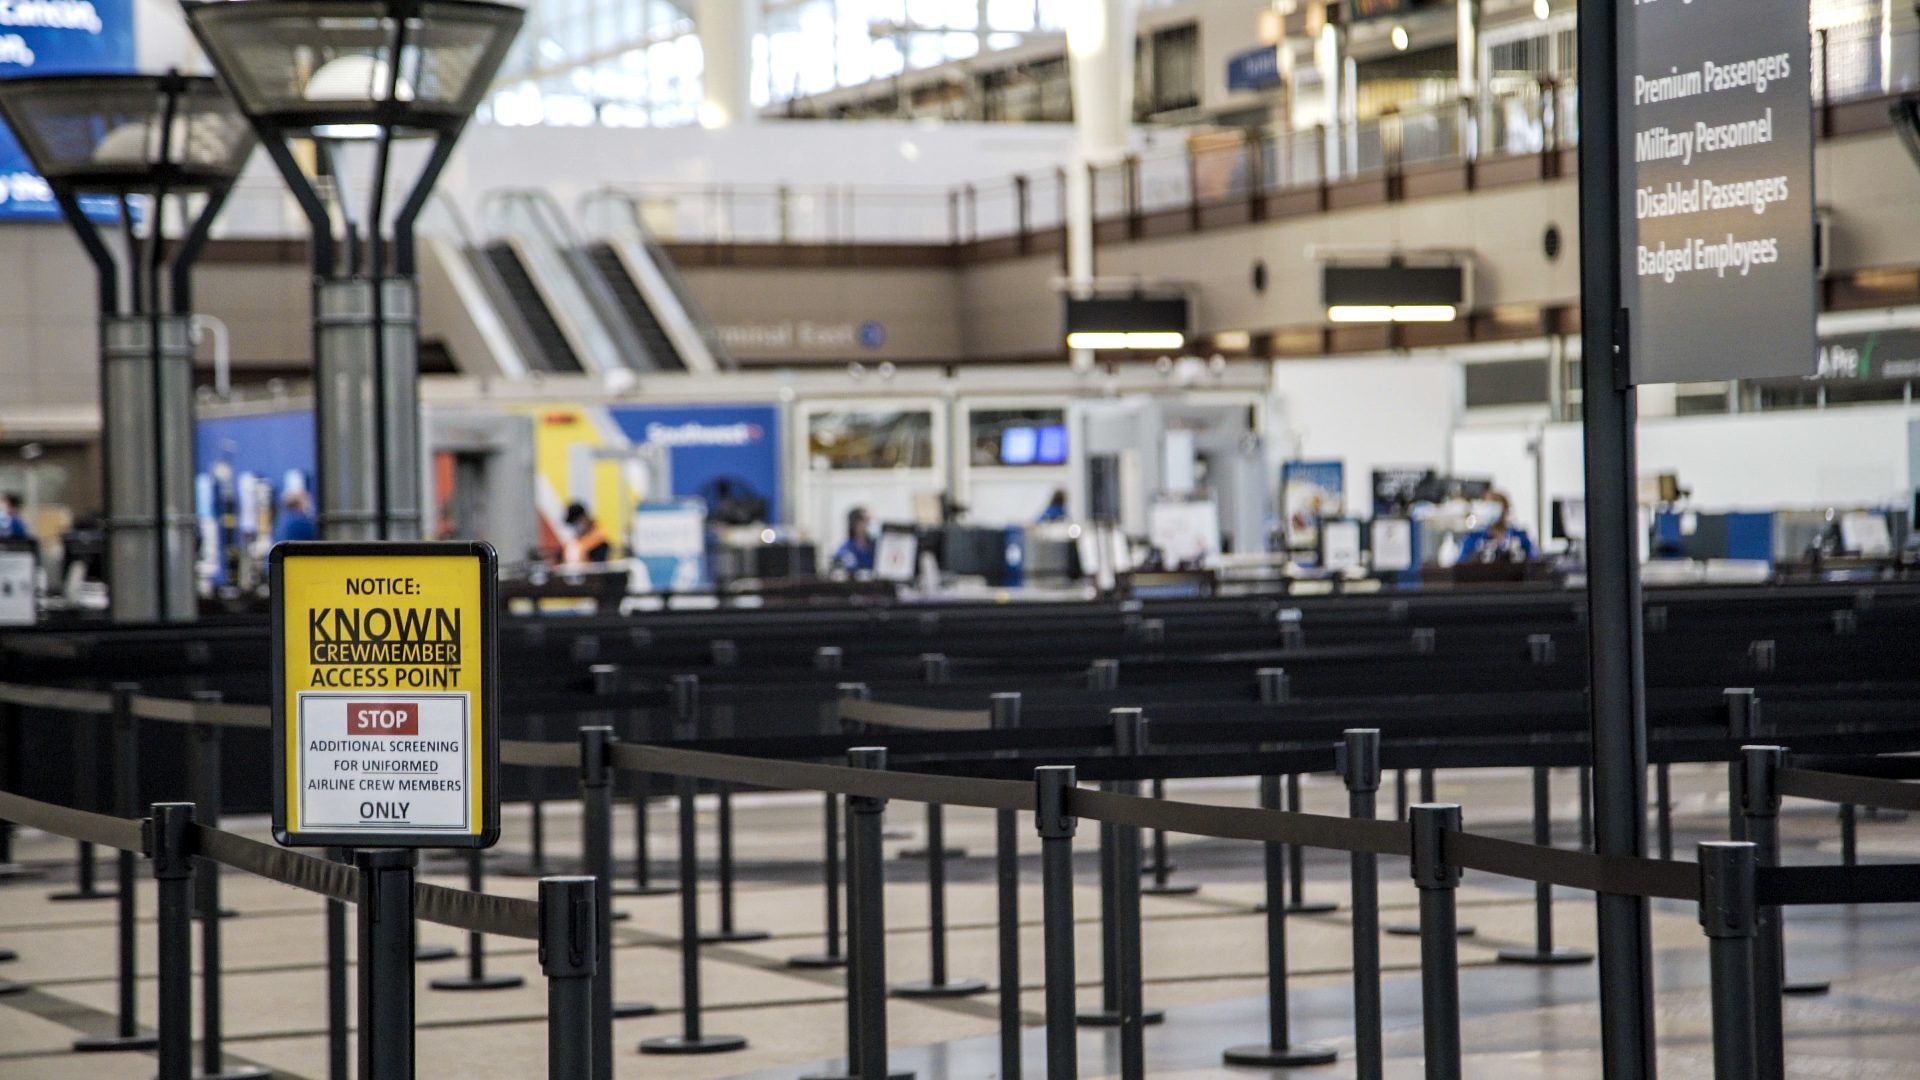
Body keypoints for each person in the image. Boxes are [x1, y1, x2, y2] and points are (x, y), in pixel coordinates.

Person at [1456, 490, 1537, 563]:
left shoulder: (1520, 537)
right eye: (1487, 507)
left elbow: (1535, 561)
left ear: (1505, 509)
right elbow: (1460, 565)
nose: (1491, 511)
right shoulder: (1474, 538)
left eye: (1495, 506)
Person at [832, 506, 876, 573]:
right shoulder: (845, 550)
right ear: (855, 524)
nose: (869, 524)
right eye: (866, 521)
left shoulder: (876, 547)